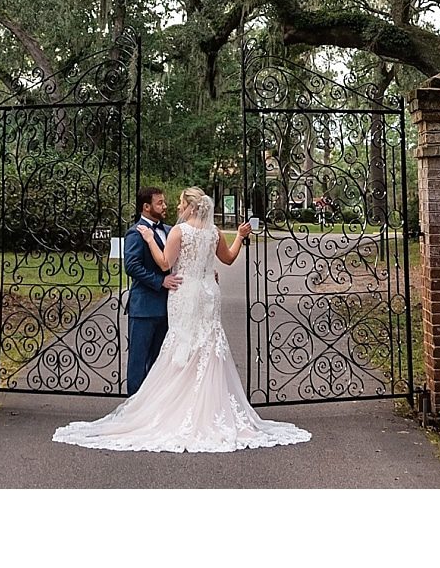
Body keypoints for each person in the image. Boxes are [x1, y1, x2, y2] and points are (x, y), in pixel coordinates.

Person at [54, 187, 310, 453]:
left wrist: (150, 239)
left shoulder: (178, 231)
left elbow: (166, 264)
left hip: (184, 291)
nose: (173, 207)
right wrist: (241, 237)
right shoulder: (213, 232)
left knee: (181, 343)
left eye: (177, 203)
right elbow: (230, 258)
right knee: (208, 345)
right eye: (165, 202)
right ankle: (208, 408)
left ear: (189, 206)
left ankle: (161, 408)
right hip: (207, 292)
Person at [122, 186, 182, 394]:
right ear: (146, 207)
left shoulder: (169, 231)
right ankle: (132, 411)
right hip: (144, 309)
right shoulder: (135, 233)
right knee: (138, 362)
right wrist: (160, 281)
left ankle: (154, 411)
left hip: (168, 309)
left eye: (164, 202)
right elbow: (132, 266)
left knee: (160, 363)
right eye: (160, 203)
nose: (165, 206)